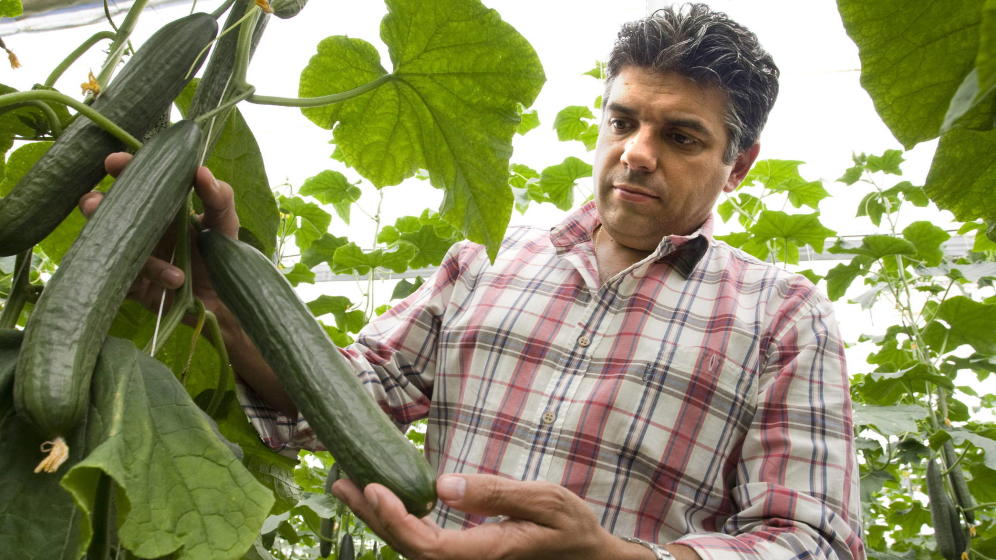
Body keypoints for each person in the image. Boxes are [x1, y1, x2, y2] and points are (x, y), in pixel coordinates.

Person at [83, 4, 863, 559]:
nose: (636, 151)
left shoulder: (783, 316)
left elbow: (814, 540)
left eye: (681, 135)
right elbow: (349, 394)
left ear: (741, 165)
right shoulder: (487, 256)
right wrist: (222, 299)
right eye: (623, 121)